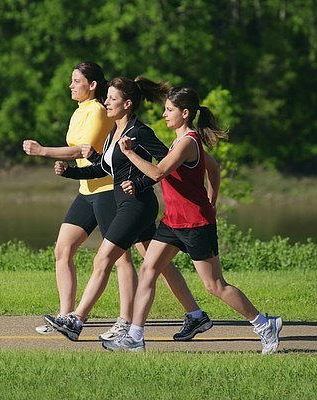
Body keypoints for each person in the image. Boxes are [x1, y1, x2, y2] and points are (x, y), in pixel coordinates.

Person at [103, 86, 283, 354]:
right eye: (165, 109)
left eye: (170, 110)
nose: (164, 114)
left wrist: (130, 153)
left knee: (215, 286)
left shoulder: (187, 142)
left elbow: (158, 172)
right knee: (148, 270)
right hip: (172, 222)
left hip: (196, 224)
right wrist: (213, 195)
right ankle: (135, 338)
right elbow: (213, 167)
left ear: (185, 113)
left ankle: (264, 324)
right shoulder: (178, 142)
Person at [46, 76, 216, 341]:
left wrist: (139, 183)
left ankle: (76, 320)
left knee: (103, 259)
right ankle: (195, 315)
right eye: (107, 98)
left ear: (127, 104)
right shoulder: (116, 131)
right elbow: (104, 168)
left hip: (137, 206)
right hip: (128, 203)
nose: (106, 102)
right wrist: (69, 173)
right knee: (156, 264)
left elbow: (165, 165)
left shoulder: (139, 132)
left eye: (112, 99)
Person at [23, 61, 140, 340]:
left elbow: (80, 149)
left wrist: (43, 151)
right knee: (62, 250)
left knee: (120, 258)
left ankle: (126, 320)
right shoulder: (79, 112)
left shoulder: (99, 111)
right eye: (72, 81)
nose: (71, 85)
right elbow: (80, 152)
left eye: (77, 81)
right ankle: (65, 315)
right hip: (86, 191)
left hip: (106, 191)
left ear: (93, 85)